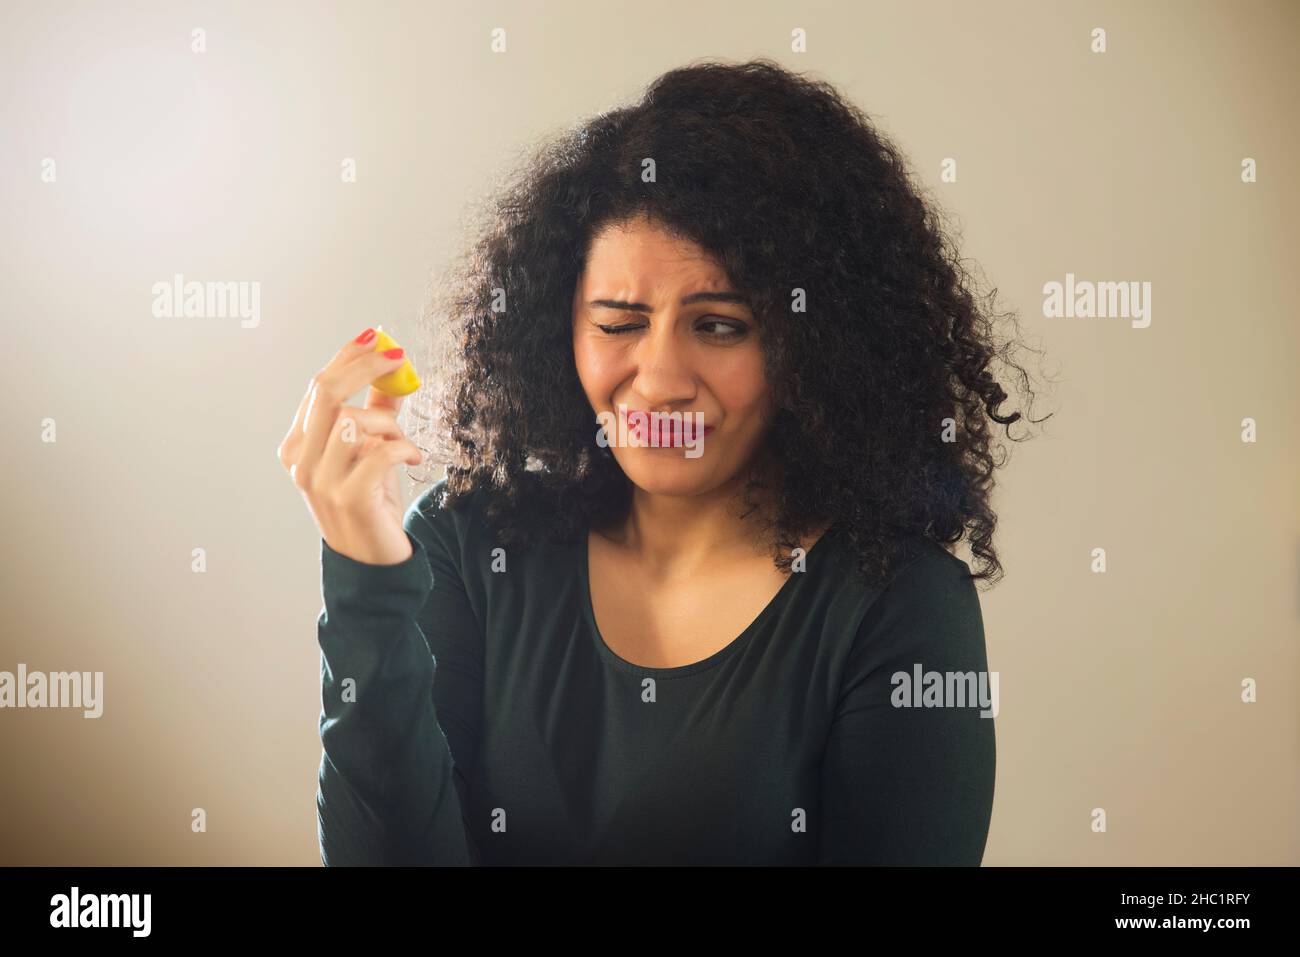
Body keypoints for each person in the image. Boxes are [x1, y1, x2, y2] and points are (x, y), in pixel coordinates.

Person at [277, 57, 1045, 866]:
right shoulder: (467, 538)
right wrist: (366, 574)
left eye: (718, 325)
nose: (661, 380)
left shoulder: (900, 606)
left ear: (814, 348)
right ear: (557, 333)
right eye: (619, 323)